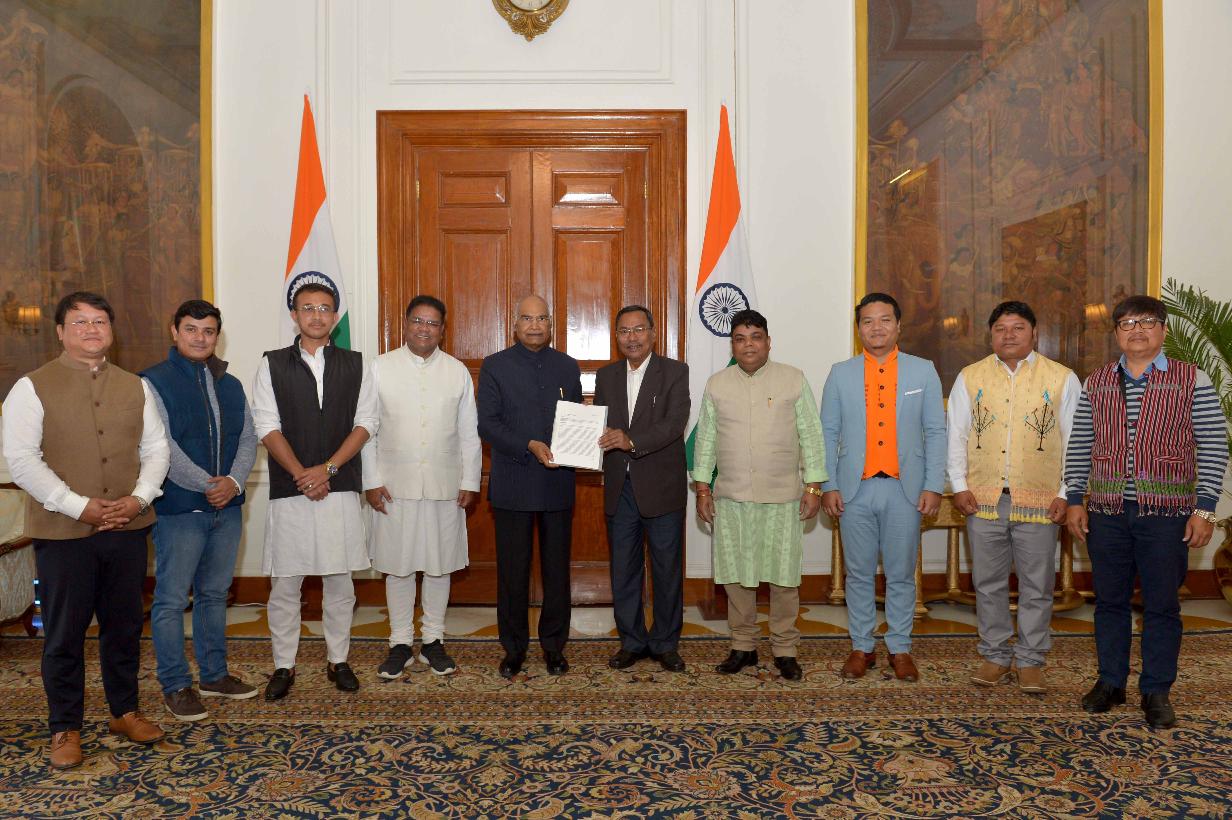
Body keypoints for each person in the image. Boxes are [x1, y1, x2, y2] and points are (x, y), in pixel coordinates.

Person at [2, 291, 170, 769]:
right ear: (60, 332)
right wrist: (80, 507)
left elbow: (157, 449)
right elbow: (22, 460)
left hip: (127, 527)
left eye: (100, 321)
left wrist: (140, 498)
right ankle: (65, 727)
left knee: (124, 627)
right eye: (80, 322)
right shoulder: (31, 388)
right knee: (64, 633)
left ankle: (124, 711)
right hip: (63, 532)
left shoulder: (136, 387)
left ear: (111, 331)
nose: (91, 329)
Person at [1064, 295, 1227, 729]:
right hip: (1107, 512)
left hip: (1168, 515)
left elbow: (1213, 446)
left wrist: (1206, 510)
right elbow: (1080, 443)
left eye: (1147, 321)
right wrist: (1075, 498)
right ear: (1116, 332)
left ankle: (1156, 690)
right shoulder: (1097, 382)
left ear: (1163, 330)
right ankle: (1111, 682)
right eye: (1127, 323)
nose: (1137, 330)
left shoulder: (1192, 380)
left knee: (1161, 605)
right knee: (1109, 602)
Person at [946, 301, 1080, 693]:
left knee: (1037, 584)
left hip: (1040, 499)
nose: (1008, 335)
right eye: (1000, 328)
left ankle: (1031, 659)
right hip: (983, 497)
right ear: (991, 335)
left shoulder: (1062, 378)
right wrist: (959, 485)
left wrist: (1066, 493)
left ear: (1034, 333)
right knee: (987, 583)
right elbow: (956, 434)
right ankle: (995, 656)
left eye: (1018, 327)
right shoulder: (970, 377)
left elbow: (1075, 441)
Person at [252, 282, 376, 700]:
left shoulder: (357, 364)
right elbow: (266, 425)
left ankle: (338, 659)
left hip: (339, 488)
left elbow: (366, 423)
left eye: (325, 309)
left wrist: (327, 470)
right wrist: (303, 475)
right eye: (308, 308)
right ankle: (283, 665)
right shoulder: (271, 364)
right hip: (291, 491)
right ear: (294, 315)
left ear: (335, 317)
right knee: (286, 584)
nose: (317, 316)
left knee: (340, 582)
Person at [691, 309, 826, 681]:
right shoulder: (717, 384)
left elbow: (811, 435)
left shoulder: (793, 379)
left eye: (755, 337)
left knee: (784, 578)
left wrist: (814, 485)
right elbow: (706, 440)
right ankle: (743, 646)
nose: (748, 345)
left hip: (782, 497)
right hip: (732, 497)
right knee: (736, 577)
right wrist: (702, 488)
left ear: (768, 342)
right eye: (740, 338)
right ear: (732, 345)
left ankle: (784, 648)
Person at [142, 299, 259, 721]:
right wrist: (210, 485)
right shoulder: (153, 381)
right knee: (172, 600)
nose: (200, 337)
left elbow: (248, 438)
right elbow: (161, 445)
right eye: (191, 329)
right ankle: (175, 685)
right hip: (179, 509)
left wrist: (234, 484)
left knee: (214, 595)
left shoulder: (231, 383)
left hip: (227, 508)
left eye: (208, 331)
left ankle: (214, 675)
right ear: (174, 331)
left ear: (217, 336)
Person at [820, 292, 945, 683]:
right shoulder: (840, 373)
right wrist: (828, 484)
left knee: (901, 574)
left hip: (904, 490)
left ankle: (900, 648)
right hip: (854, 490)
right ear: (858, 328)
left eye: (885, 319)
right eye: (868, 321)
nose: (876, 327)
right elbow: (828, 432)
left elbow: (935, 431)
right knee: (857, 574)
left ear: (898, 325)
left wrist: (934, 485)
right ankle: (862, 646)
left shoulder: (922, 371)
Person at [363, 295, 481, 678]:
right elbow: (366, 430)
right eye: (418, 320)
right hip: (393, 487)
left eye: (432, 323)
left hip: (445, 486)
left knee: (439, 566)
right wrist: (371, 481)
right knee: (398, 567)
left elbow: (469, 433)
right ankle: (399, 642)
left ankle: (433, 641)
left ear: (442, 330)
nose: (424, 329)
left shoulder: (456, 371)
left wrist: (470, 480)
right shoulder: (380, 367)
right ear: (406, 323)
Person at [477, 295, 582, 678]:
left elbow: (575, 420)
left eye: (541, 319)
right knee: (513, 573)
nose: (535, 325)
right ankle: (514, 648)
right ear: (515, 324)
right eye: (527, 318)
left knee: (556, 573)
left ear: (550, 324)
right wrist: (528, 445)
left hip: (557, 483)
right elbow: (487, 424)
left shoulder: (567, 366)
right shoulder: (495, 365)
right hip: (514, 483)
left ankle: (554, 647)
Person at [594, 305, 690, 673]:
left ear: (653, 333)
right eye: (624, 331)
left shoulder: (675, 372)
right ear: (616, 337)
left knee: (666, 570)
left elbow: (674, 424)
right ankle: (632, 641)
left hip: (661, 487)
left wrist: (630, 440)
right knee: (623, 570)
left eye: (638, 330)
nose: (631, 337)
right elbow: (598, 426)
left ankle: (665, 643)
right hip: (620, 488)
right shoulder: (606, 376)